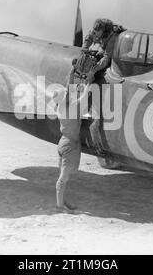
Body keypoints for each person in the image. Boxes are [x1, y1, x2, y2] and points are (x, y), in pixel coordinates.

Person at [54, 84, 91, 214]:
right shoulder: (70, 110)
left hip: (64, 143)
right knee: (63, 178)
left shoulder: (61, 108)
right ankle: (59, 206)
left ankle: (62, 202)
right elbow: (84, 98)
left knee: (63, 177)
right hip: (69, 145)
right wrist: (88, 83)